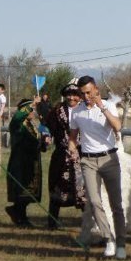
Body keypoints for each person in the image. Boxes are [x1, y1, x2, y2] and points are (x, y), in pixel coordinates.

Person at [68, 75, 127, 260]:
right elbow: (73, 136)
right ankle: (108, 239)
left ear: (96, 90)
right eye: (82, 93)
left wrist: (102, 107)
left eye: (88, 92)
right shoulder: (76, 112)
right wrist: (72, 148)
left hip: (109, 158)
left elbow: (117, 127)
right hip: (88, 161)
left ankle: (121, 244)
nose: (86, 96)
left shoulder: (108, 106)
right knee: (94, 202)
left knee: (116, 204)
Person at [43, 81, 86, 229]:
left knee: (84, 188)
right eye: (68, 94)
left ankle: (88, 223)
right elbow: (46, 127)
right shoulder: (57, 111)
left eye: (75, 94)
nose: (71, 97)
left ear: (80, 96)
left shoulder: (85, 110)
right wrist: (46, 136)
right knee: (57, 187)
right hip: (61, 155)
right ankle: (52, 223)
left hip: (82, 155)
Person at [4, 97, 45, 227]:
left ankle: (17, 212)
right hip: (20, 162)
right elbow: (17, 118)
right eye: (31, 110)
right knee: (22, 191)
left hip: (32, 162)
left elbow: (35, 141)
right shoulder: (17, 125)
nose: (33, 112)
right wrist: (31, 104)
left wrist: (43, 143)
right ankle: (21, 218)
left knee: (30, 192)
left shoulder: (31, 125)